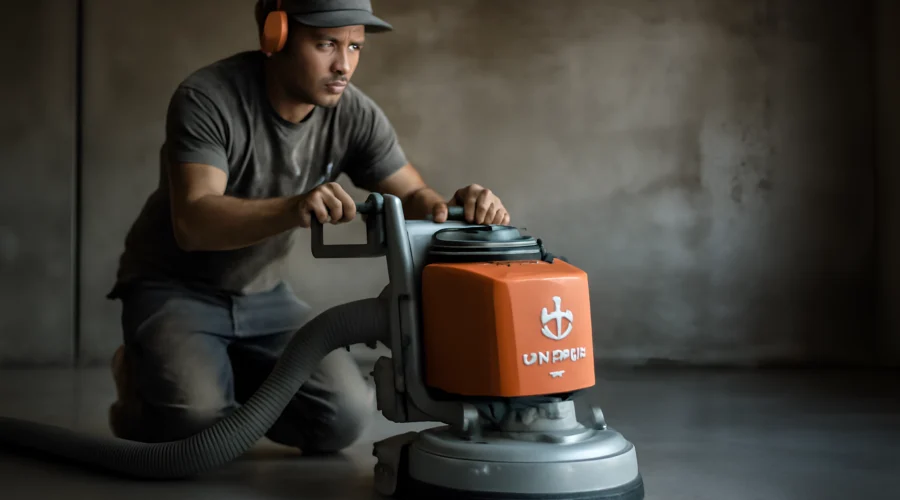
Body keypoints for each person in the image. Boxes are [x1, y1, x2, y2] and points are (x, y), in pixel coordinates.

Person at [105, 0, 510, 454]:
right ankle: (143, 379)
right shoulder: (208, 97)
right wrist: (293, 207)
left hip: (264, 295)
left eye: (355, 46)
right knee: (195, 425)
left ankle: (215, 373)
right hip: (174, 288)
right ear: (274, 36)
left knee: (343, 418)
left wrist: (452, 206)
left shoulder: (354, 113)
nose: (344, 65)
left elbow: (414, 197)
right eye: (326, 44)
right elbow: (194, 222)